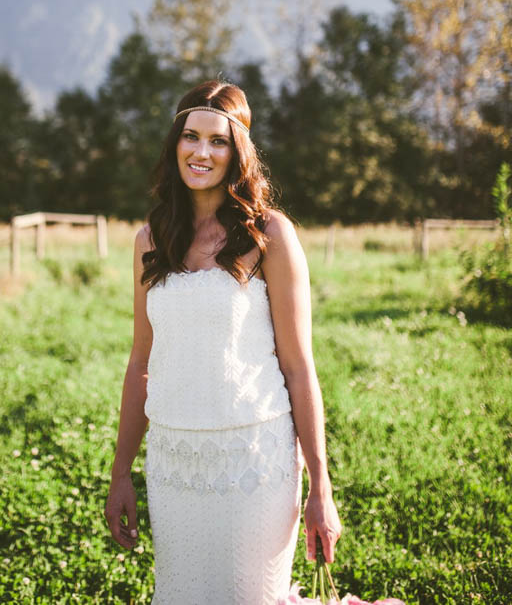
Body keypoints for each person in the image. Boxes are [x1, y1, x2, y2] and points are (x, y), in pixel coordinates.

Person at [104, 80, 341, 604]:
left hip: (252, 461)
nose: (202, 152)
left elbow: (300, 368)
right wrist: (122, 472)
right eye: (191, 137)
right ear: (175, 145)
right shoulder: (151, 239)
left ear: (238, 152)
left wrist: (320, 485)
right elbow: (141, 361)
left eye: (218, 141)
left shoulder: (269, 236)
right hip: (174, 463)